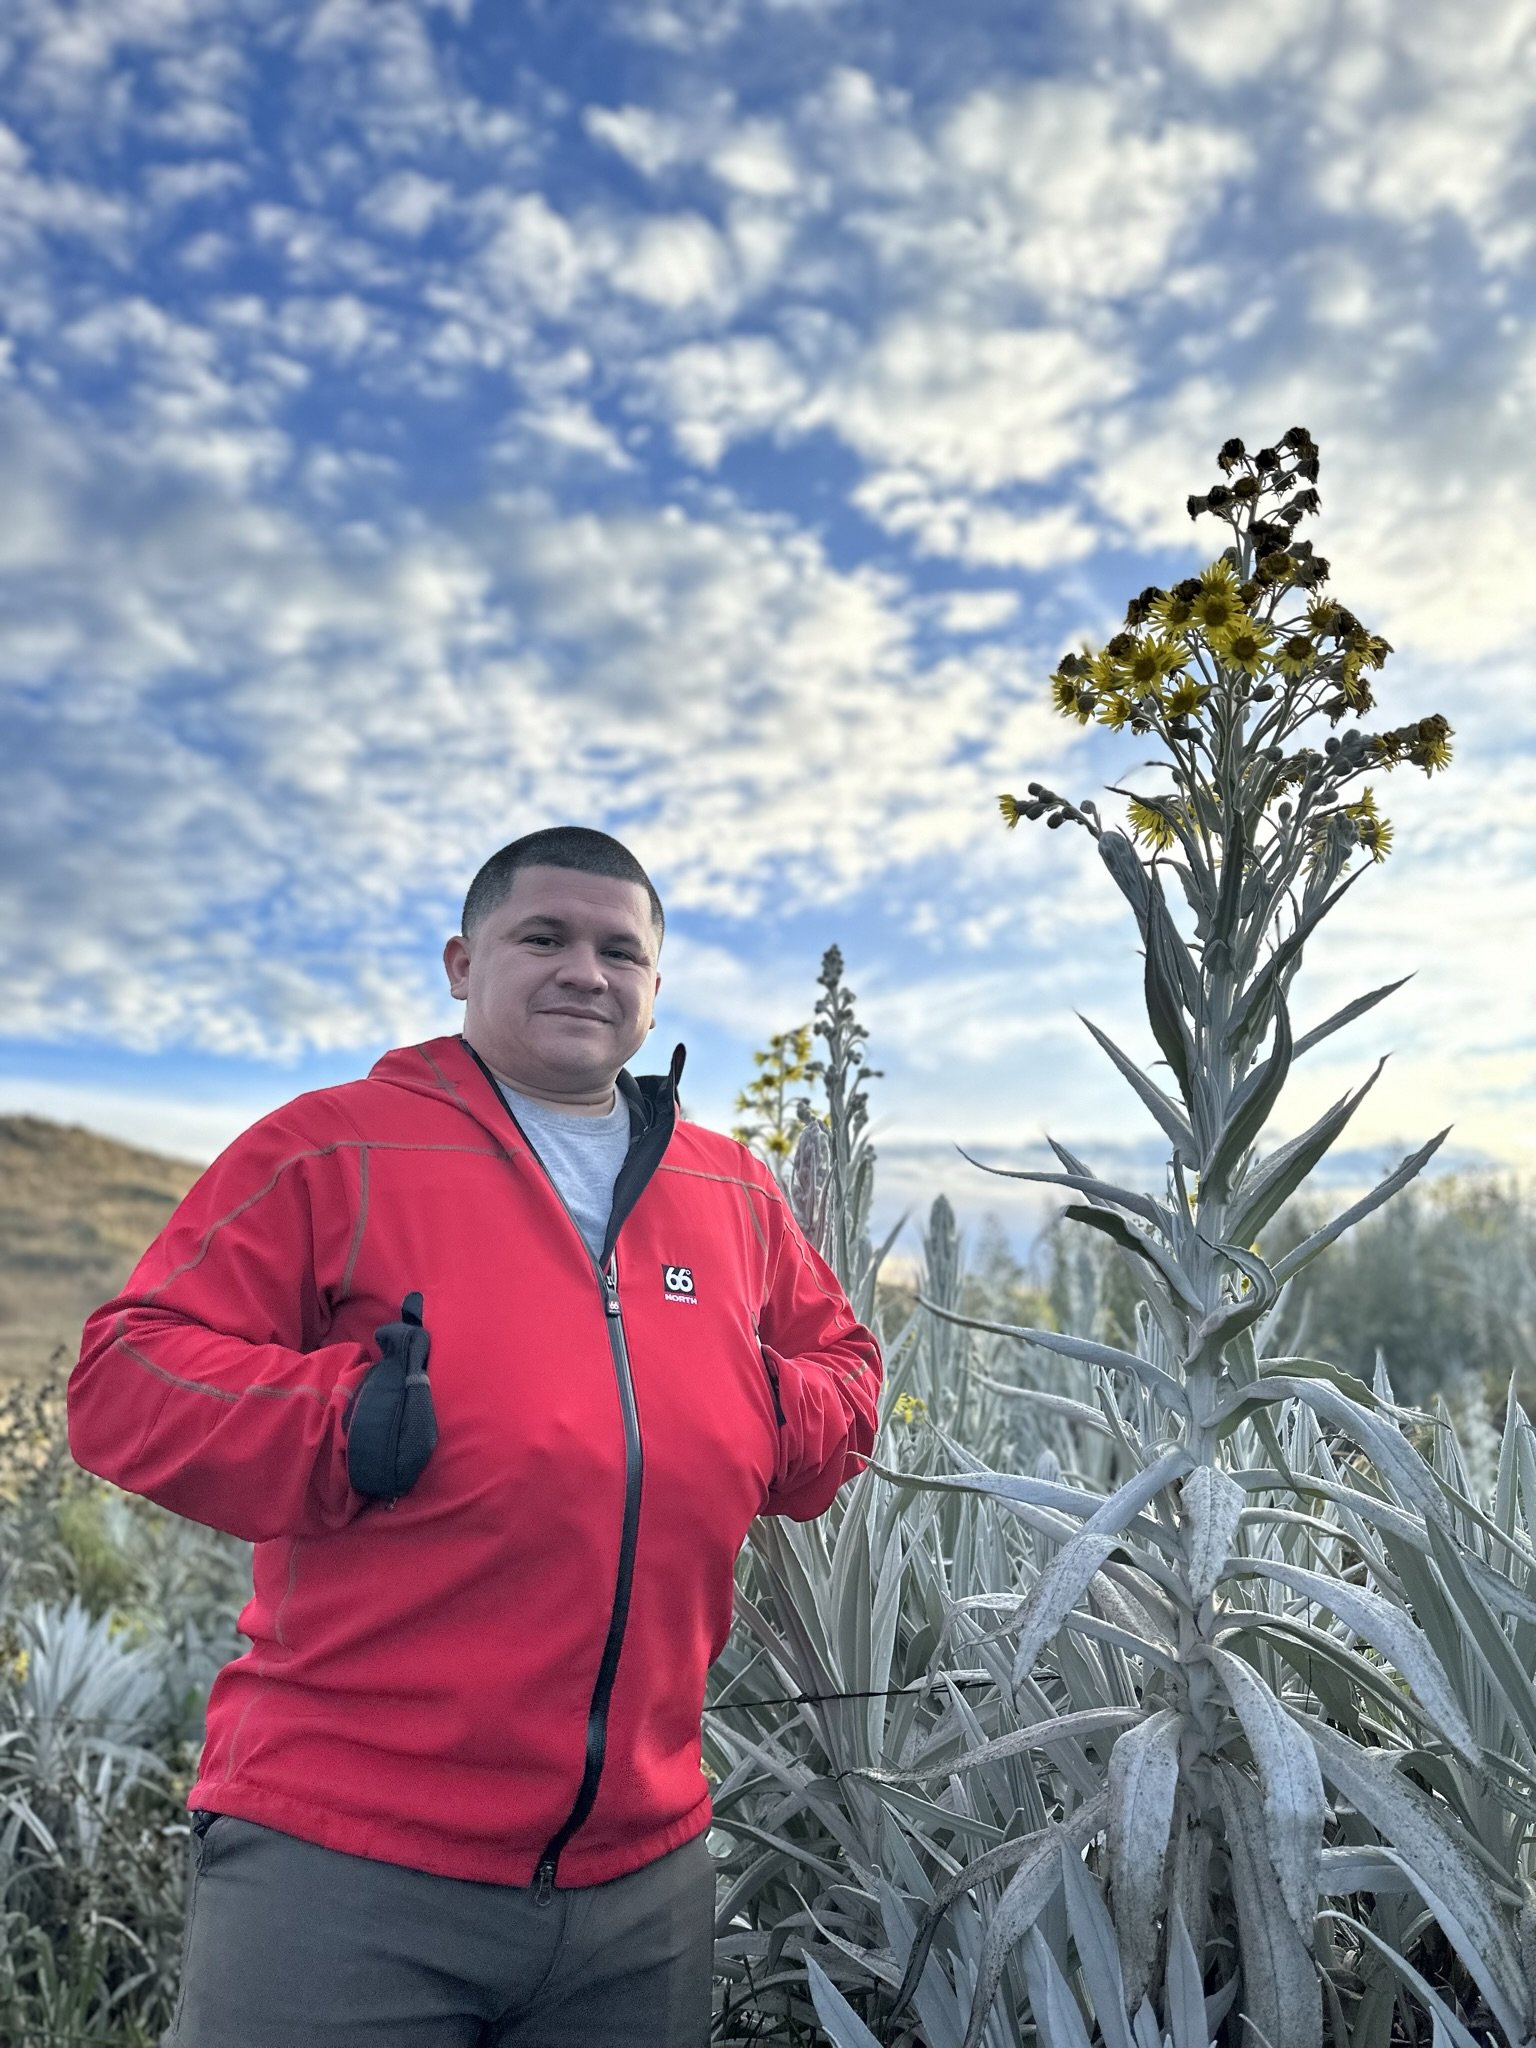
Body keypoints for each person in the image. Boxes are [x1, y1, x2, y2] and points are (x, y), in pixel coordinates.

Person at [68, 825, 883, 2048]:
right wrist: (334, 1422)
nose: (584, 971)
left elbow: (847, 1376)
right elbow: (122, 1375)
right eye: (542, 936)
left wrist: (766, 1411)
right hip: (346, 1862)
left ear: (655, 984)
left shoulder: (731, 1189)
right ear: (462, 961)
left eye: (621, 949)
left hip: (642, 1882)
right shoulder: (331, 1145)